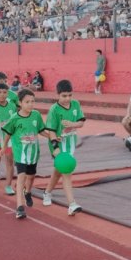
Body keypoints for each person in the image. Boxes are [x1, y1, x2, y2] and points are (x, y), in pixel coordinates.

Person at [1, 88, 49, 219]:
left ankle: (28, 192)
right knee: (21, 176)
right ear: (20, 103)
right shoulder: (14, 118)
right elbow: (8, 133)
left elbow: (41, 130)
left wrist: (52, 137)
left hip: (33, 154)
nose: (31, 104)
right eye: (27, 102)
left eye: (33, 101)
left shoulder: (36, 115)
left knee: (31, 176)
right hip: (20, 154)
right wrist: (4, 147)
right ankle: (19, 207)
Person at [42, 79, 85, 216]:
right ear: (58, 95)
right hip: (58, 145)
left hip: (71, 144)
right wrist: (55, 146)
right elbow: (51, 130)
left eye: (69, 95)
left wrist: (72, 124)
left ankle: (47, 193)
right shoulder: (54, 110)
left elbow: (81, 123)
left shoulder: (75, 104)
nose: (67, 99)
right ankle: (72, 204)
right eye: (64, 96)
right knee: (66, 172)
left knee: (58, 171)